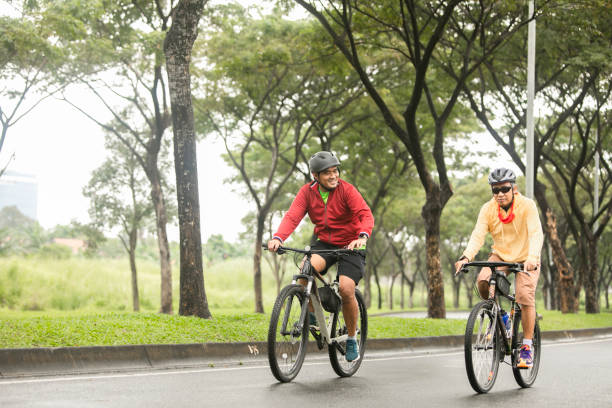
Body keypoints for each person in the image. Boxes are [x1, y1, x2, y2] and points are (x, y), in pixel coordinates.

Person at [268, 151, 374, 362]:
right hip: (325, 243)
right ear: (315, 176)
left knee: (345, 288)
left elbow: (365, 214)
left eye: (335, 171)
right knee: (304, 273)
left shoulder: (347, 190)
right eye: (327, 173)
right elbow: (293, 215)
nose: (333, 176)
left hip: (352, 244)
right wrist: (278, 237)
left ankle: (352, 338)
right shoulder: (307, 192)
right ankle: (313, 316)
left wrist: (362, 236)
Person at [454, 168, 543, 369]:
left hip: (527, 257)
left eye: (504, 189)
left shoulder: (527, 205)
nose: (500, 194)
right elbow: (478, 235)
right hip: (501, 255)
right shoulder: (488, 209)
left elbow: (536, 233)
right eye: (495, 190)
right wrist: (466, 256)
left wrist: (533, 257)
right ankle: (502, 316)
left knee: (523, 295)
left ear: (514, 188)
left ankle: (527, 347)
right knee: (483, 281)